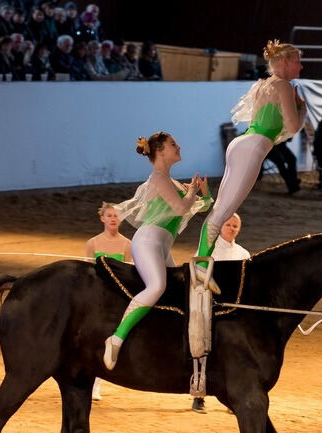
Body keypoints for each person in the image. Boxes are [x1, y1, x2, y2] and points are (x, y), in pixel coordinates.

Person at [103, 132, 212, 370]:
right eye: (173, 144)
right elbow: (181, 207)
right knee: (157, 286)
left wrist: (202, 192)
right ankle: (117, 337)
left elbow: (200, 207)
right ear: (160, 151)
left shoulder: (170, 182)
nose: (179, 146)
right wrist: (191, 192)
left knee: (175, 292)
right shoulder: (158, 179)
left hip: (161, 245)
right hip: (148, 242)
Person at [194, 39, 304, 271]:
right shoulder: (283, 85)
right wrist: (302, 108)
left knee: (220, 210)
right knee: (223, 213)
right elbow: (293, 127)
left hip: (241, 144)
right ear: (284, 62)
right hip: (253, 148)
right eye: (297, 61)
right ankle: (201, 266)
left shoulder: (264, 84)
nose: (300, 66)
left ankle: (202, 261)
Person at [189, 212, 249, 414]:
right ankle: (199, 395)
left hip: (234, 311)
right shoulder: (208, 249)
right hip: (209, 307)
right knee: (204, 349)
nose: (231, 229)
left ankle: (233, 397)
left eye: (235, 226)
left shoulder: (243, 253)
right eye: (228, 225)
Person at [84, 201, 132, 400]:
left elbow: (129, 273)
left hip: (116, 296)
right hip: (96, 295)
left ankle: (97, 383)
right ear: (102, 218)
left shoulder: (127, 244)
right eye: (109, 215)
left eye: (116, 215)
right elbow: (87, 271)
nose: (113, 218)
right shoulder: (93, 243)